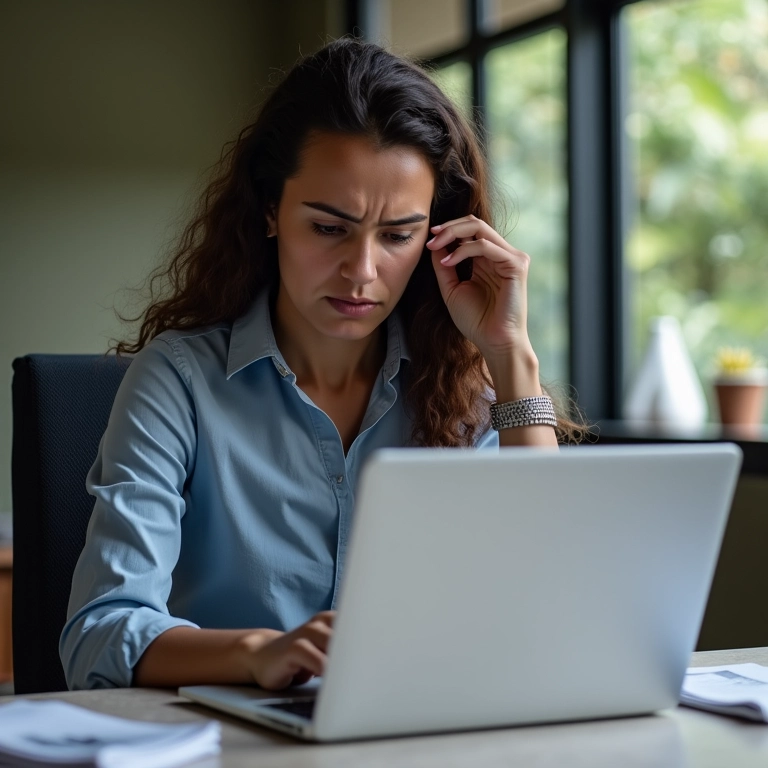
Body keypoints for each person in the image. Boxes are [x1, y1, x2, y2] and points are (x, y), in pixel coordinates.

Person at [60, 37, 580, 692]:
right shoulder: (179, 382)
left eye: (397, 235)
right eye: (330, 228)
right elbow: (100, 633)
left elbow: (550, 604)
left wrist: (510, 353)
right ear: (272, 209)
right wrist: (260, 652)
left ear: (436, 235)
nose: (362, 272)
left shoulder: (460, 388)